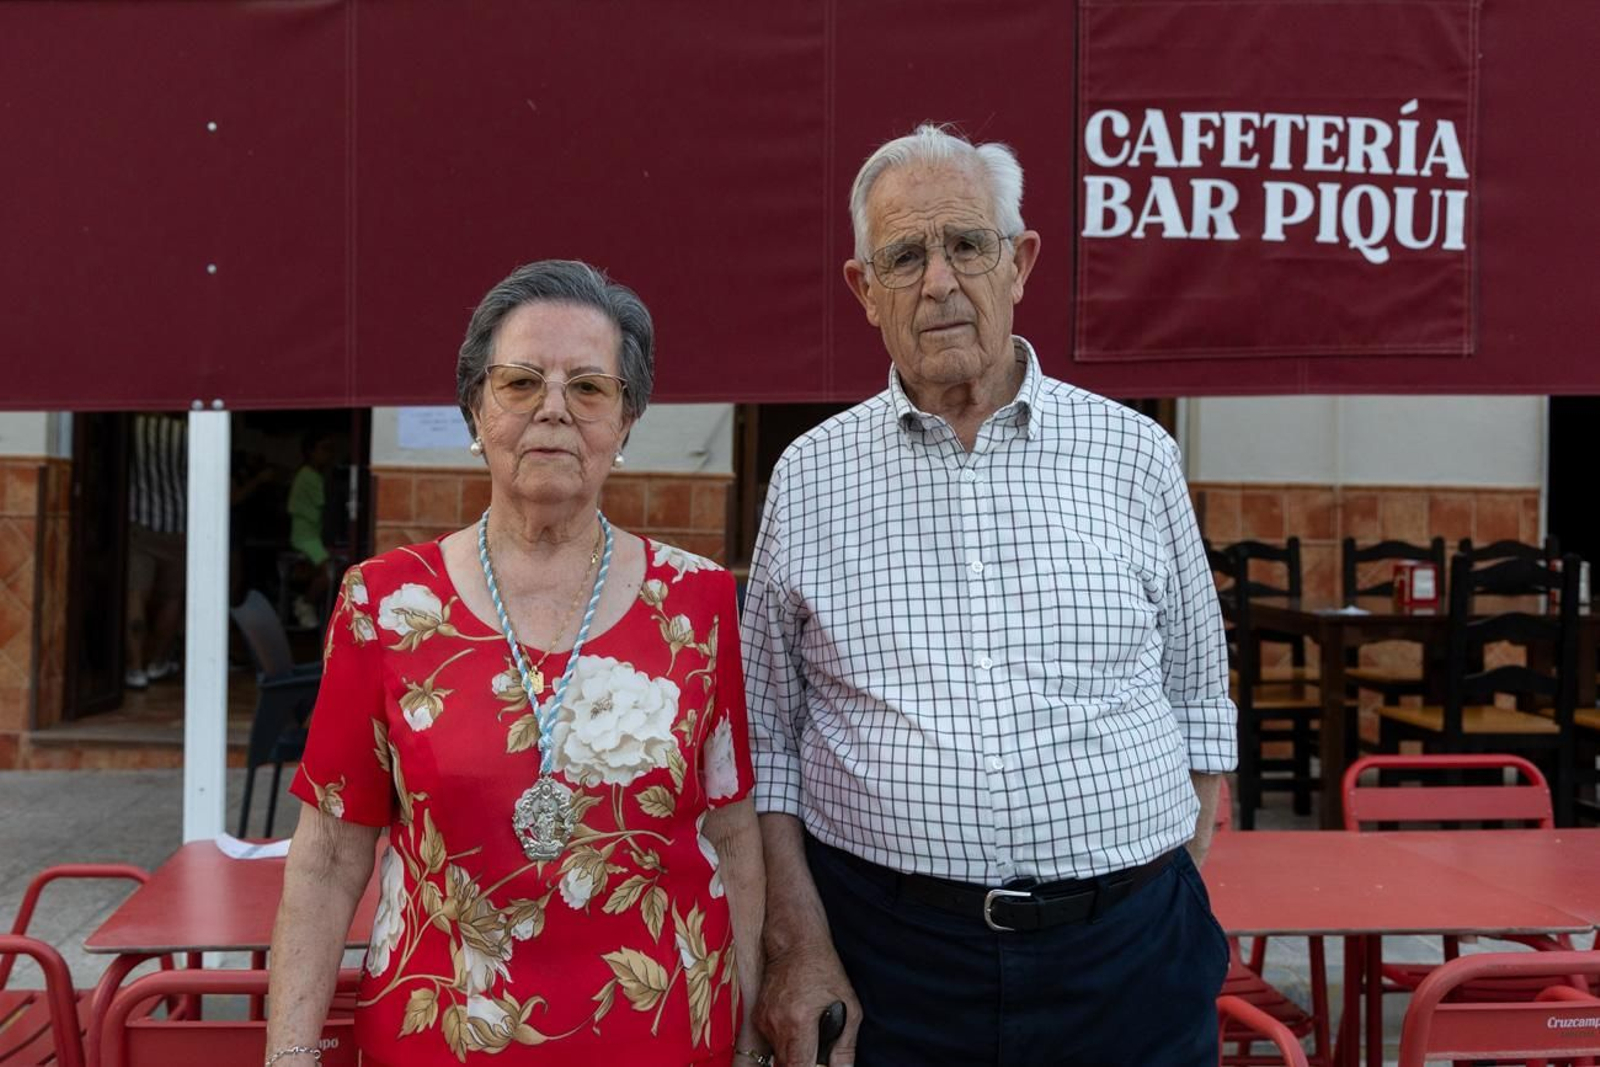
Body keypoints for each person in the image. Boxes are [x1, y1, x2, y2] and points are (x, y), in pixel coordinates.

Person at [741, 125, 1237, 1066]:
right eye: (904, 255)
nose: (938, 282)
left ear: (1021, 263)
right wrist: (797, 946)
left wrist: (1141, 881)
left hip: (1127, 961)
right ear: (864, 287)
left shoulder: (1136, 457)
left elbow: (1200, 705)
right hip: (893, 964)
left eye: (967, 244)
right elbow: (768, 739)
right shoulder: (808, 478)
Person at [265, 261, 769, 1067]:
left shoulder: (700, 603)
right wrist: (289, 1054)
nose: (554, 408)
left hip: (665, 1042)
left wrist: (746, 1040)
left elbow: (735, 837)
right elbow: (327, 854)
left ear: (627, 421)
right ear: (476, 407)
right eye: (522, 380)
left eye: (590, 388)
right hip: (438, 1042)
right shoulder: (385, 605)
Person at [124, 412, 187, 688]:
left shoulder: (132, 429)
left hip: (141, 525)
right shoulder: (187, 433)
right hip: (178, 527)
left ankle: (135, 668)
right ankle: (157, 663)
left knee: (135, 595)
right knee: (171, 599)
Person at [285, 431, 339, 628]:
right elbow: (326, 505)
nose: (329, 454)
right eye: (324, 449)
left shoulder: (310, 475)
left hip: (312, 535)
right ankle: (305, 603)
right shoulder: (309, 476)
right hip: (305, 537)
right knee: (329, 573)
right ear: (310, 452)